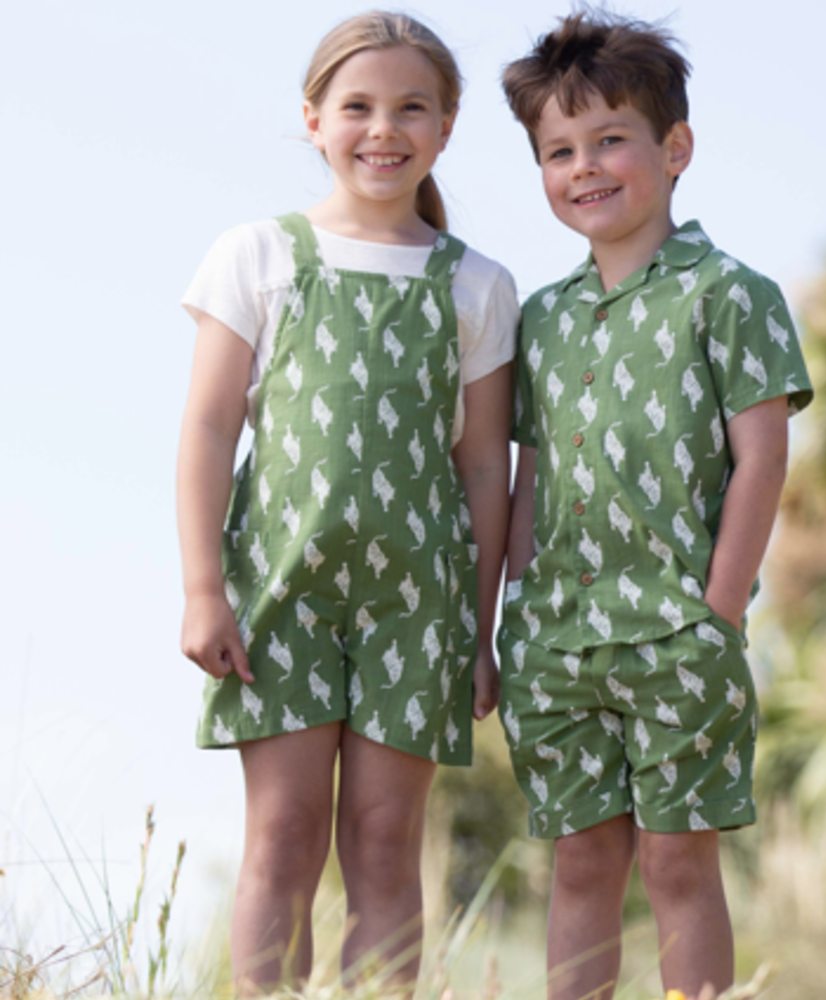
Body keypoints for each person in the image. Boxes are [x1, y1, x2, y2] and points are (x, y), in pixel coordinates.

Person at [176, 12, 515, 995]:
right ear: (313, 120)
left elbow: (485, 468)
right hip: (278, 588)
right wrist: (205, 588)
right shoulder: (257, 254)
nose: (383, 128)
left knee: (383, 846)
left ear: (446, 127)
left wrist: (479, 631)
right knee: (281, 838)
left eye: (412, 108)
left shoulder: (478, 286)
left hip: (419, 603)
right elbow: (205, 430)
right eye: (358, 106)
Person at [498, 11, 812, 999]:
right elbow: (529, 476)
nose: (583, 167)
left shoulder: (731, 293)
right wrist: (508, 614)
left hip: (679, 631)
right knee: (580, 865)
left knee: (678, 865)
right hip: (556, 641)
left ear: (674, 149)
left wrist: (715, 615)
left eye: (608, 140)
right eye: (558, 150)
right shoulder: (541, 318)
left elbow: (761, 459)